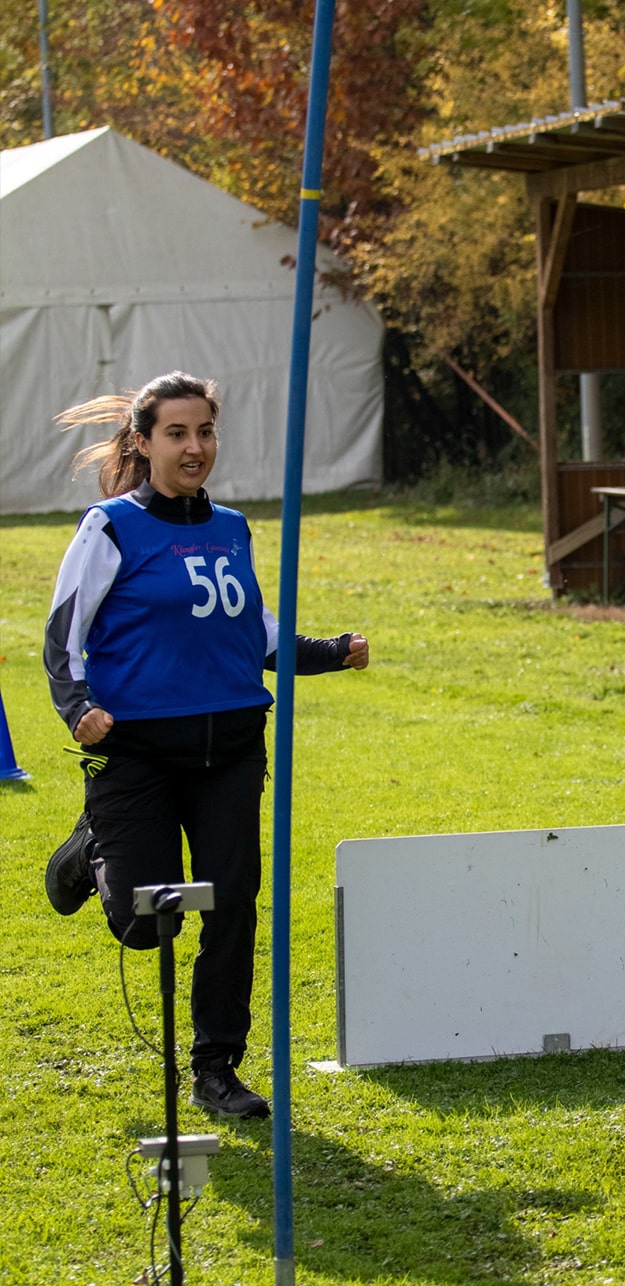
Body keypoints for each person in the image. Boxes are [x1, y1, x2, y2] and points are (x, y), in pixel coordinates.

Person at [42, 372, 369, 1118]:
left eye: (206, 432)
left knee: (233, 905)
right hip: (137, 755)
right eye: (178, 434)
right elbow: (64, 637)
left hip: (231, 747)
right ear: (143, 442)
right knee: (142, 924)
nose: (195, 448)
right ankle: (92, 846)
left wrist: (328, 650)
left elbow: (251, 634)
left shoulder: (232, 527)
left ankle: (217, 1067)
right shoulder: (111, 528)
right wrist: (77, 708)